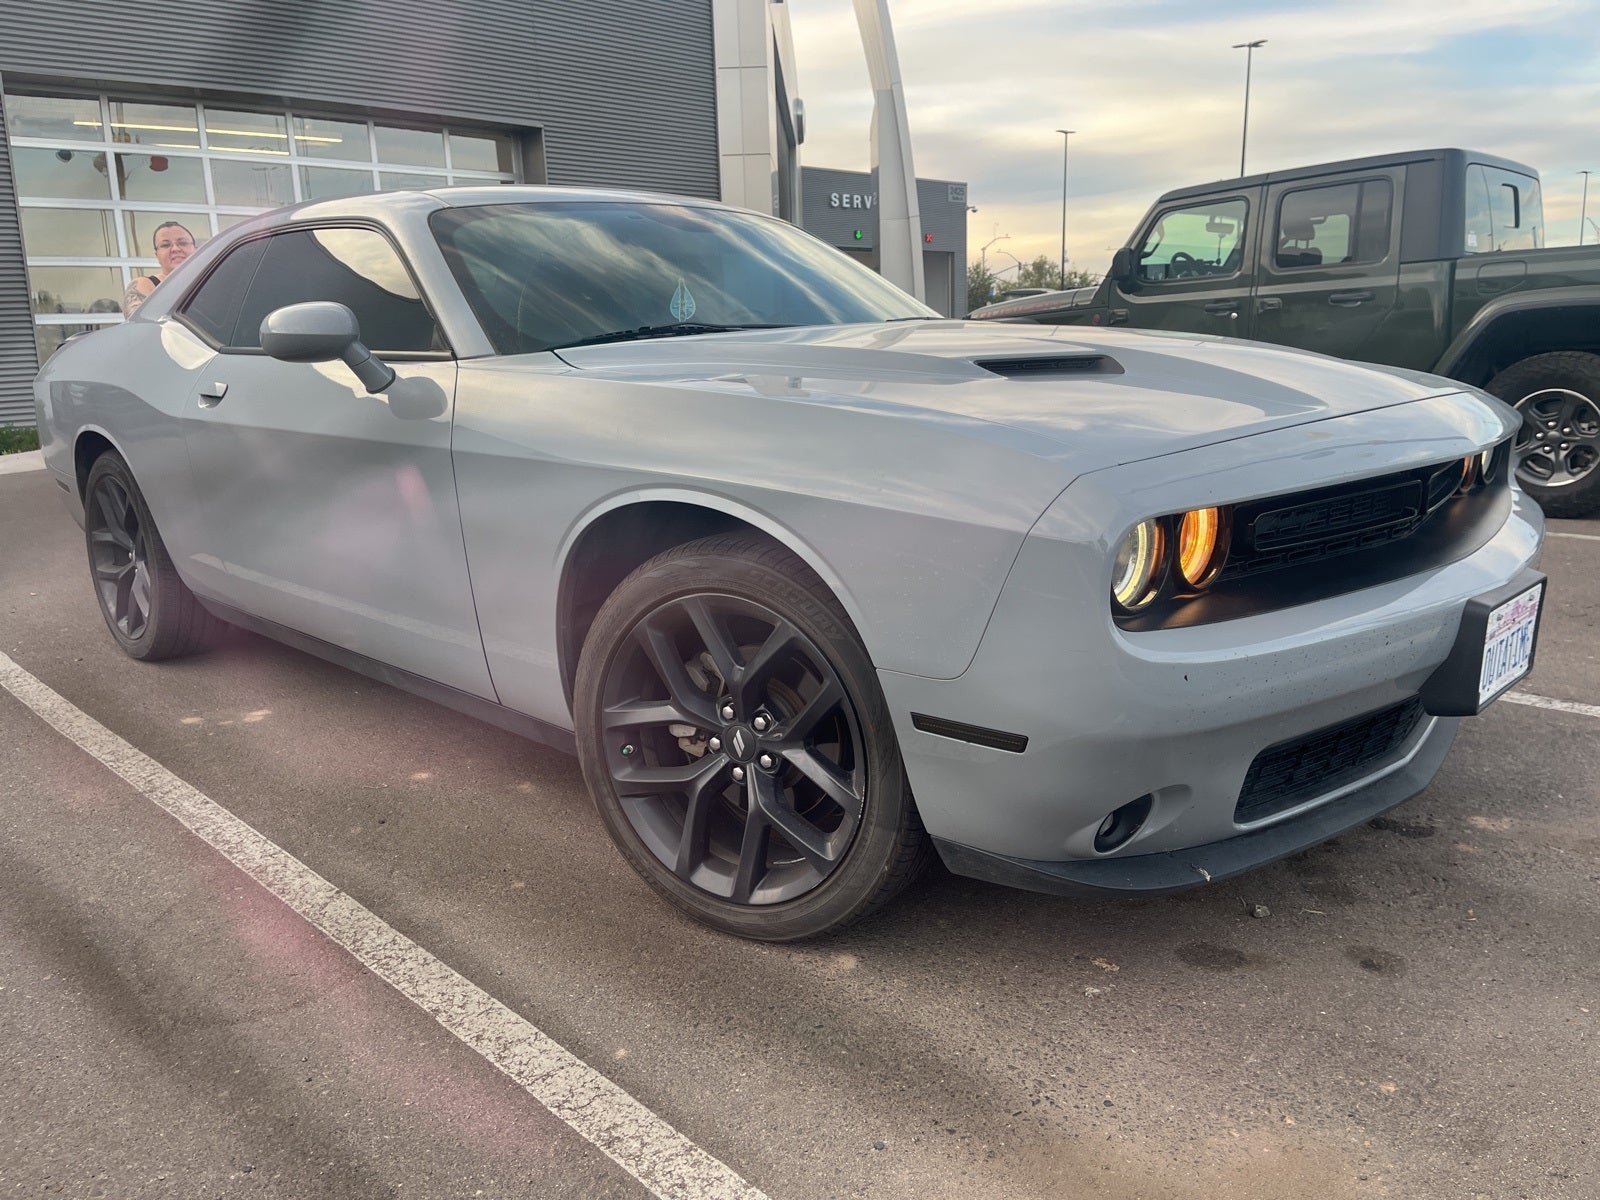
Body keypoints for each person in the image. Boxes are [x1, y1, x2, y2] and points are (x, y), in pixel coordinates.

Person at [122, 221, 198, 317]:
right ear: (157, 255)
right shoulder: (146, 285)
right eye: (165, 245)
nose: (175, 249)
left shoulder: (212, 279)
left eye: (182, 243)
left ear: (195, 249)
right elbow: (138, 325)